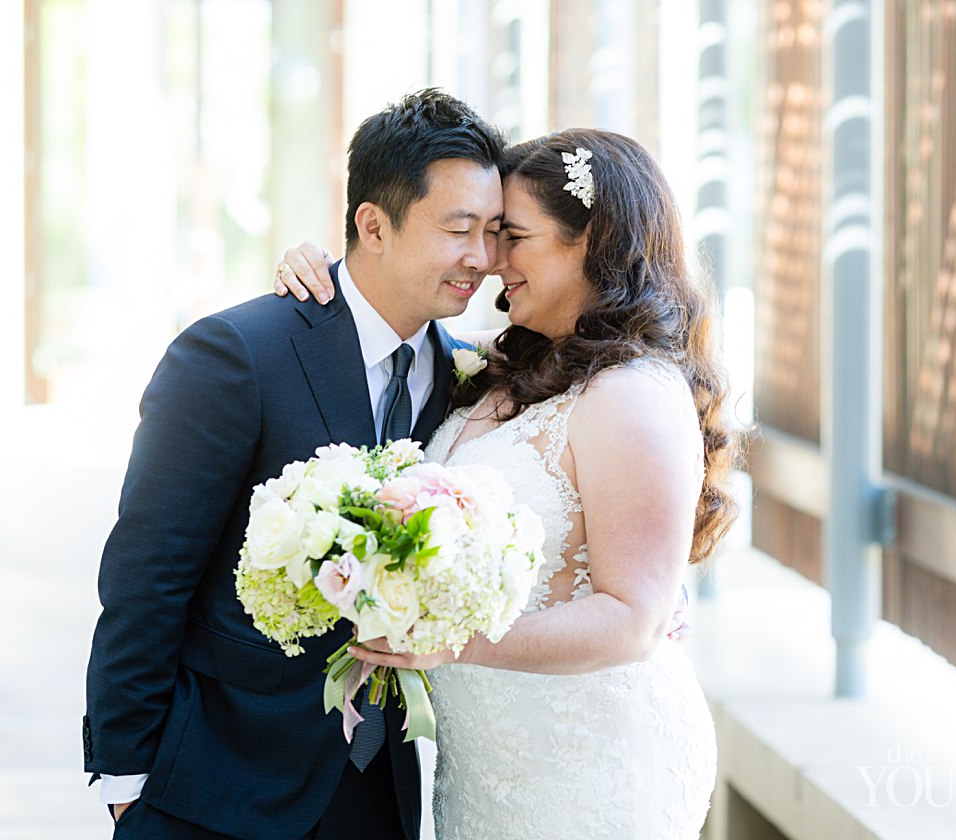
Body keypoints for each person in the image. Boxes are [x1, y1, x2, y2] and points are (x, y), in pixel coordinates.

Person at [277, 128, 738, 839]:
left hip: (591, 768)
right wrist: (326, 279)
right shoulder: (509, 366)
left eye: (512, 235)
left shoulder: (633, 393)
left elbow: (633, 618)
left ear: (591, 239)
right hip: (492, 771)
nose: (491, 261)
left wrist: (447, 641)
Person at [83, 89, 506, 840]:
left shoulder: (460, 377)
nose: (482, 258)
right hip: (218, 779)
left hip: (377, 793)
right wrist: (127, 780)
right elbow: (146, 576)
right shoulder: (236, 354)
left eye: (494, 232)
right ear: (372, 225)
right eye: (458, 229)